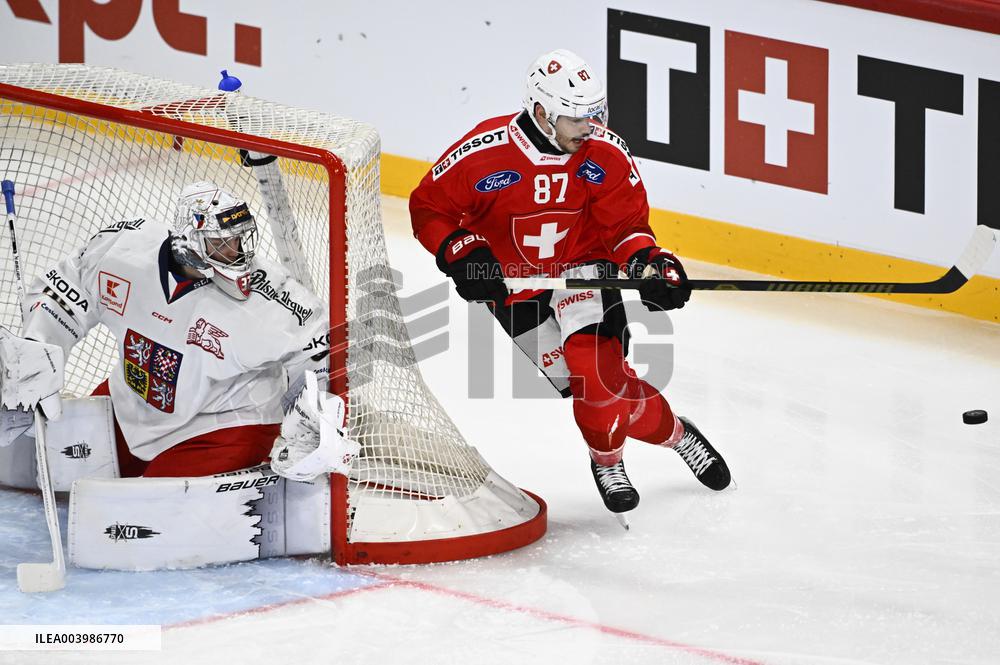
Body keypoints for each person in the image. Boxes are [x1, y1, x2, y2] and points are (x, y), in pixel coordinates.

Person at [409, 49, 732, 518]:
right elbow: (428, 208)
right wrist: (462, 252)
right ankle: (679, 434)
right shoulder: (482, 153)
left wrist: (648, 263)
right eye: (577, 117)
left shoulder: (605, 153)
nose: (590, 126)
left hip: (585, 267)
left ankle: (608, 462)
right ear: (541, 112)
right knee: (599, 389)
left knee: (597, 376)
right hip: (514, 286)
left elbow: (627, 228)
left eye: (595, 113)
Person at [0, 181, 351, 480]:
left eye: (240, 241)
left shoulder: (271, 296)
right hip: (134, 402)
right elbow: (67, 286)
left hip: (221, 424)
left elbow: (318, 343)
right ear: (188, 239)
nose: (237, 254)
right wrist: (38, 344)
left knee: (134, 512)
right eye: (222, 244)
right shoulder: (124, 250)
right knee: (40, 466)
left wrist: (312, 423)